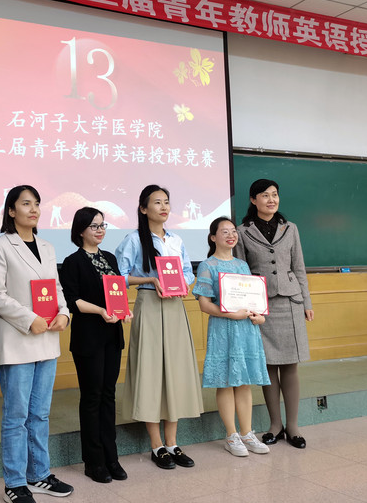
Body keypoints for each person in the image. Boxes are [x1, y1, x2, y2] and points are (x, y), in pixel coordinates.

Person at [0, 185, 74, 503]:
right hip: (18, 340)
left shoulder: (48, 246)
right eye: (26, 203)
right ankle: (14, 483)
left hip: (48, 339)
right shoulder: (0, 246)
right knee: (16, 416)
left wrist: (64, 313)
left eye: (37, 203)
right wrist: (29, 319)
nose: (34, 209)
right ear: (11, 211)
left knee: (40, 413)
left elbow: (56, 287)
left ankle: (39, 475)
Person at [115, 185, 204, 470]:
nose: (164, 207)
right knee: (152, 371)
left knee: (175, 371)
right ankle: (156, 446)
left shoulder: (176, 239)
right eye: (157, 202)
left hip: (175, 305)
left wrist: (180, 284)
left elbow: (188, 271)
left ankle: (173, 443)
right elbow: (119, 276)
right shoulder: (133, 240)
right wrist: (150, 280)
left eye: (166, 202)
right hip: (149, 304)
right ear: (143, 209)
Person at [235, 179, 314, 449]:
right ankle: (275, 425)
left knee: (290, 365)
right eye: (265, 195)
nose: (271, 200)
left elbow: (299, 267)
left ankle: (293, 427)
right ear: (253, 199)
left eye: (275, 195)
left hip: (291, 302)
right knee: (267, 366)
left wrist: (306, 302)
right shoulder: (242, 232)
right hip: (261, 306)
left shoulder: (290, 228)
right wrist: (245, 305)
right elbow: (240, 271)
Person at [59, 207, 132, 484]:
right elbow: (72, 300)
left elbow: (117, 292)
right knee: (92, 397)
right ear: (80, 230)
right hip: (88, 337)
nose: (100, 230)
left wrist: (124, 310)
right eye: (94, 226)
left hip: (111, 335)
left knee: (108, 395)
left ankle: (111, 457)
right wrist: (101, 310)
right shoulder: (72, 262)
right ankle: (94, 461)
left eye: (102, 225)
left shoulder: (109, 258)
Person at [193, 217, 271, 457]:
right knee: (226, 382)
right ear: (213, 237)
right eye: (224, 232)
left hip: (246, 329)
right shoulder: (207, 265)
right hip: (223, 329)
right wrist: (230, 315)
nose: (231, 235)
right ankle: (231, 435)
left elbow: (252, 300)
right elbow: (204, 304)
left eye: (233, 231)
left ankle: (247, 433)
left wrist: (259, 316)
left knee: (244, 382)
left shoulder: (242, 265)